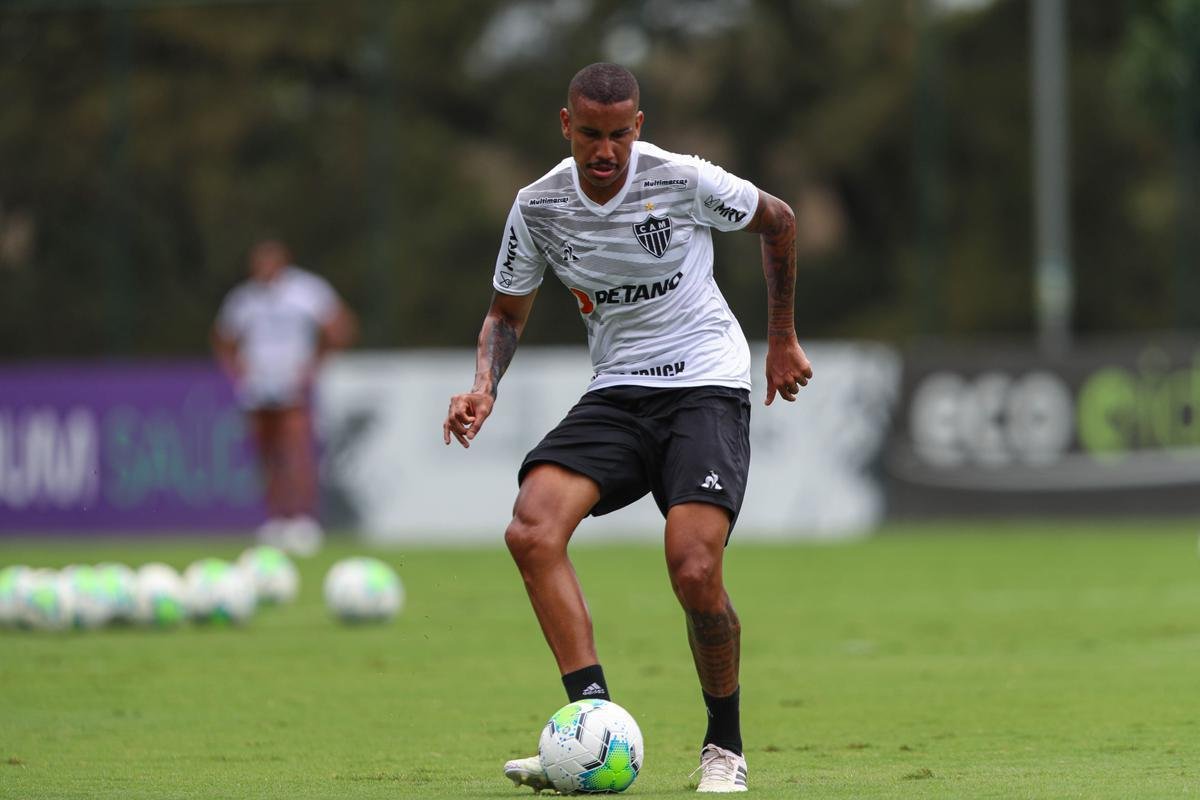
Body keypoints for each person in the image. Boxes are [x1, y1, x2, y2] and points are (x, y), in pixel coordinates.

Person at [442, 63, 812, 794]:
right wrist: (483, 385)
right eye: (590, 135)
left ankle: (725, 747)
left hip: (705, 382)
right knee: (531, 531)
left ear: (637, 127)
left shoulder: (683, 178)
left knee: (695, 569)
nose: (604, 151)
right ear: (566, 126)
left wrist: (783, 337)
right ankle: (591, 727)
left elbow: (781, 220)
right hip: (617, 392)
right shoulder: (538, 205)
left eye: (618, 135)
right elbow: (505, 314)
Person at [212, 238, 356, 556]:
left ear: (284, 262)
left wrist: (314, 364)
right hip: (257, 387)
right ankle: (276, 520)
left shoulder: (306, 291)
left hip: (292, 385)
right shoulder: (244, 300)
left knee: (296, 451)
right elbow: (223, 338)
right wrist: (237, 372)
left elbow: (340, 326)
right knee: (267, 454)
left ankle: (303, 520)